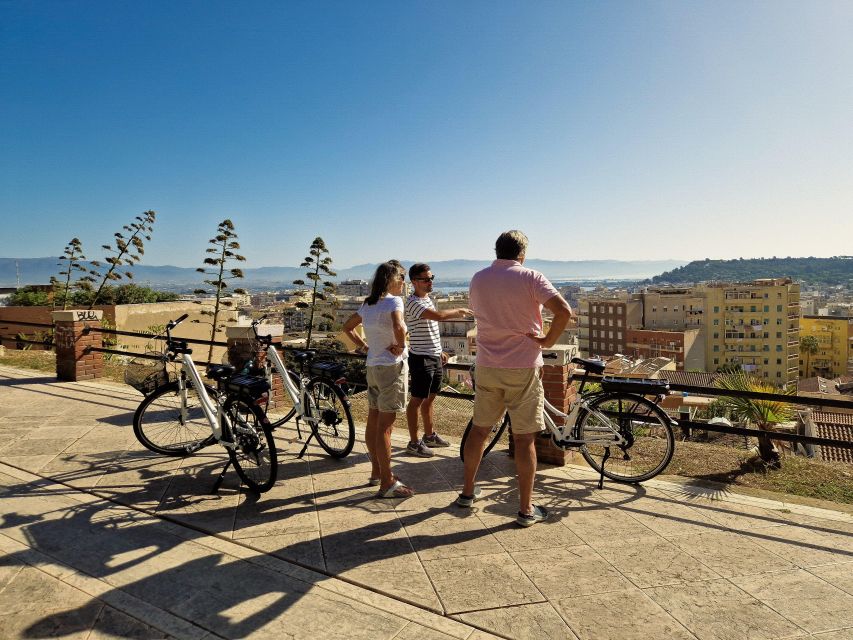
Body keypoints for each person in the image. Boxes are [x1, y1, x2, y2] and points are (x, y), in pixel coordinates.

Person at [459, 231, 573, 526]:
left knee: (479, 431)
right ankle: (525, 510)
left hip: (486, 365)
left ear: (496, 251)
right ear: (522, 253)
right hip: (522, 366)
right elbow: (564, 311)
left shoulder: (478, 278)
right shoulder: (531, 277)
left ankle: (467, 493)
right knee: (524, 440)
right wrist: (547, 341)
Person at [342, 260, 413, 498]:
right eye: (401, 277)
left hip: (372, 367)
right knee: (385, 429)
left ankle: (376, 472)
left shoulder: (369, 303)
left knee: (373, 423)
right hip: (391, 368)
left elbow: (347, 327)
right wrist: (400, 345)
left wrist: (364, 347)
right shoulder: (395, 301)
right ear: (391, 280)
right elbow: (399, 325)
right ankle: (387, 482)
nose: (404, 282)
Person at [404, 263, 472, 457]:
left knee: (430, 399)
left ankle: (429, 436)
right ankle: (413, 442)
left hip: (433, 355)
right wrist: (458, 311)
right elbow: (438, 317)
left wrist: (439, 350)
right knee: (417, 400)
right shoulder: (413, 302)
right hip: (421, 358)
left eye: (431, 278)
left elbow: (430, 328)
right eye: (426, 279)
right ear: (415, 282)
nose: (430, 282)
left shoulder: (427, 299)